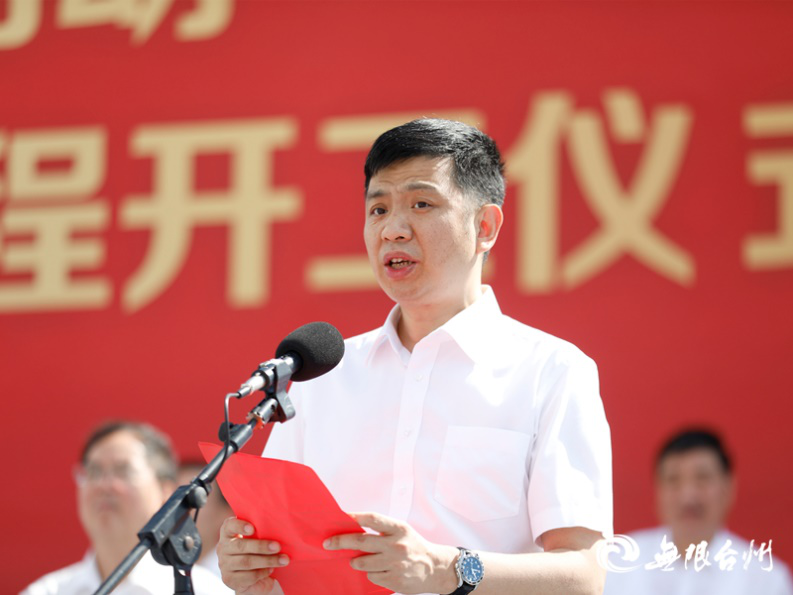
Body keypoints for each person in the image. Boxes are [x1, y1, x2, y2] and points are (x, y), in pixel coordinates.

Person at [217, 118, 613, 595]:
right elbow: (284, 555)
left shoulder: (551, 371)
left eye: (421, 204)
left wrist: (447, 569)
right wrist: (252, 569)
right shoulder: (321, 377)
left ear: (485, 226)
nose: (392, 230)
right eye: (378, 209)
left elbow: (582, 576)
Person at [22, 420, 232, 595]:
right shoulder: (48, 591)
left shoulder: (204, 590)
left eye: (123, 471)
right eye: (94, 472)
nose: (104, 485)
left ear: (166, 490)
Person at [603, 428, 793, 595]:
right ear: (658, 491)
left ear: (728, 488)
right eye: (673, 480)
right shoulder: (617, 563)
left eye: (702, 478)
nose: (688, 496)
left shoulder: (766, 581)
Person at [178, 460, 233, 579]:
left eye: (193, 498)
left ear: (226, 513)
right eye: (175, 497)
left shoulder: (236, 578)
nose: (179, 507)